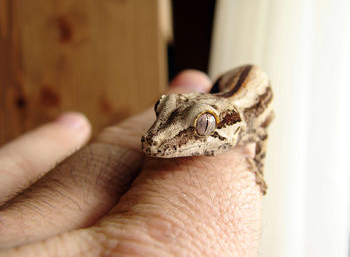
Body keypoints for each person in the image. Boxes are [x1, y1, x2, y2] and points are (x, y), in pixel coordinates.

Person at [0, 71, 262, 257]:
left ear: (235, 127)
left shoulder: (250, 126)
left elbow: (263, 129)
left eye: (203, 126)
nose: (155, 139)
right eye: (162, 108)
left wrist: (257, 165)